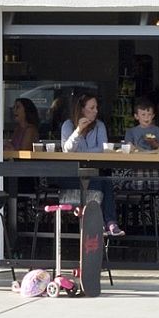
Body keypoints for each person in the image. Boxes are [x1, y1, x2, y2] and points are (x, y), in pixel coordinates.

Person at [60, 92, 124, 234]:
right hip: (72, 175)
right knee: (101, 182)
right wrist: (78, 132)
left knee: (104, 181)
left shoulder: (99, 126)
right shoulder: (68, 125)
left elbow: (103, 148)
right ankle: (104, 224)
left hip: (92, 172)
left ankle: (108, 224)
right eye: (92, 107)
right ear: (82, 109)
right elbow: (67, 150)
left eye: (96, 107)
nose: (96, 111)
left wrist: (81, 152)